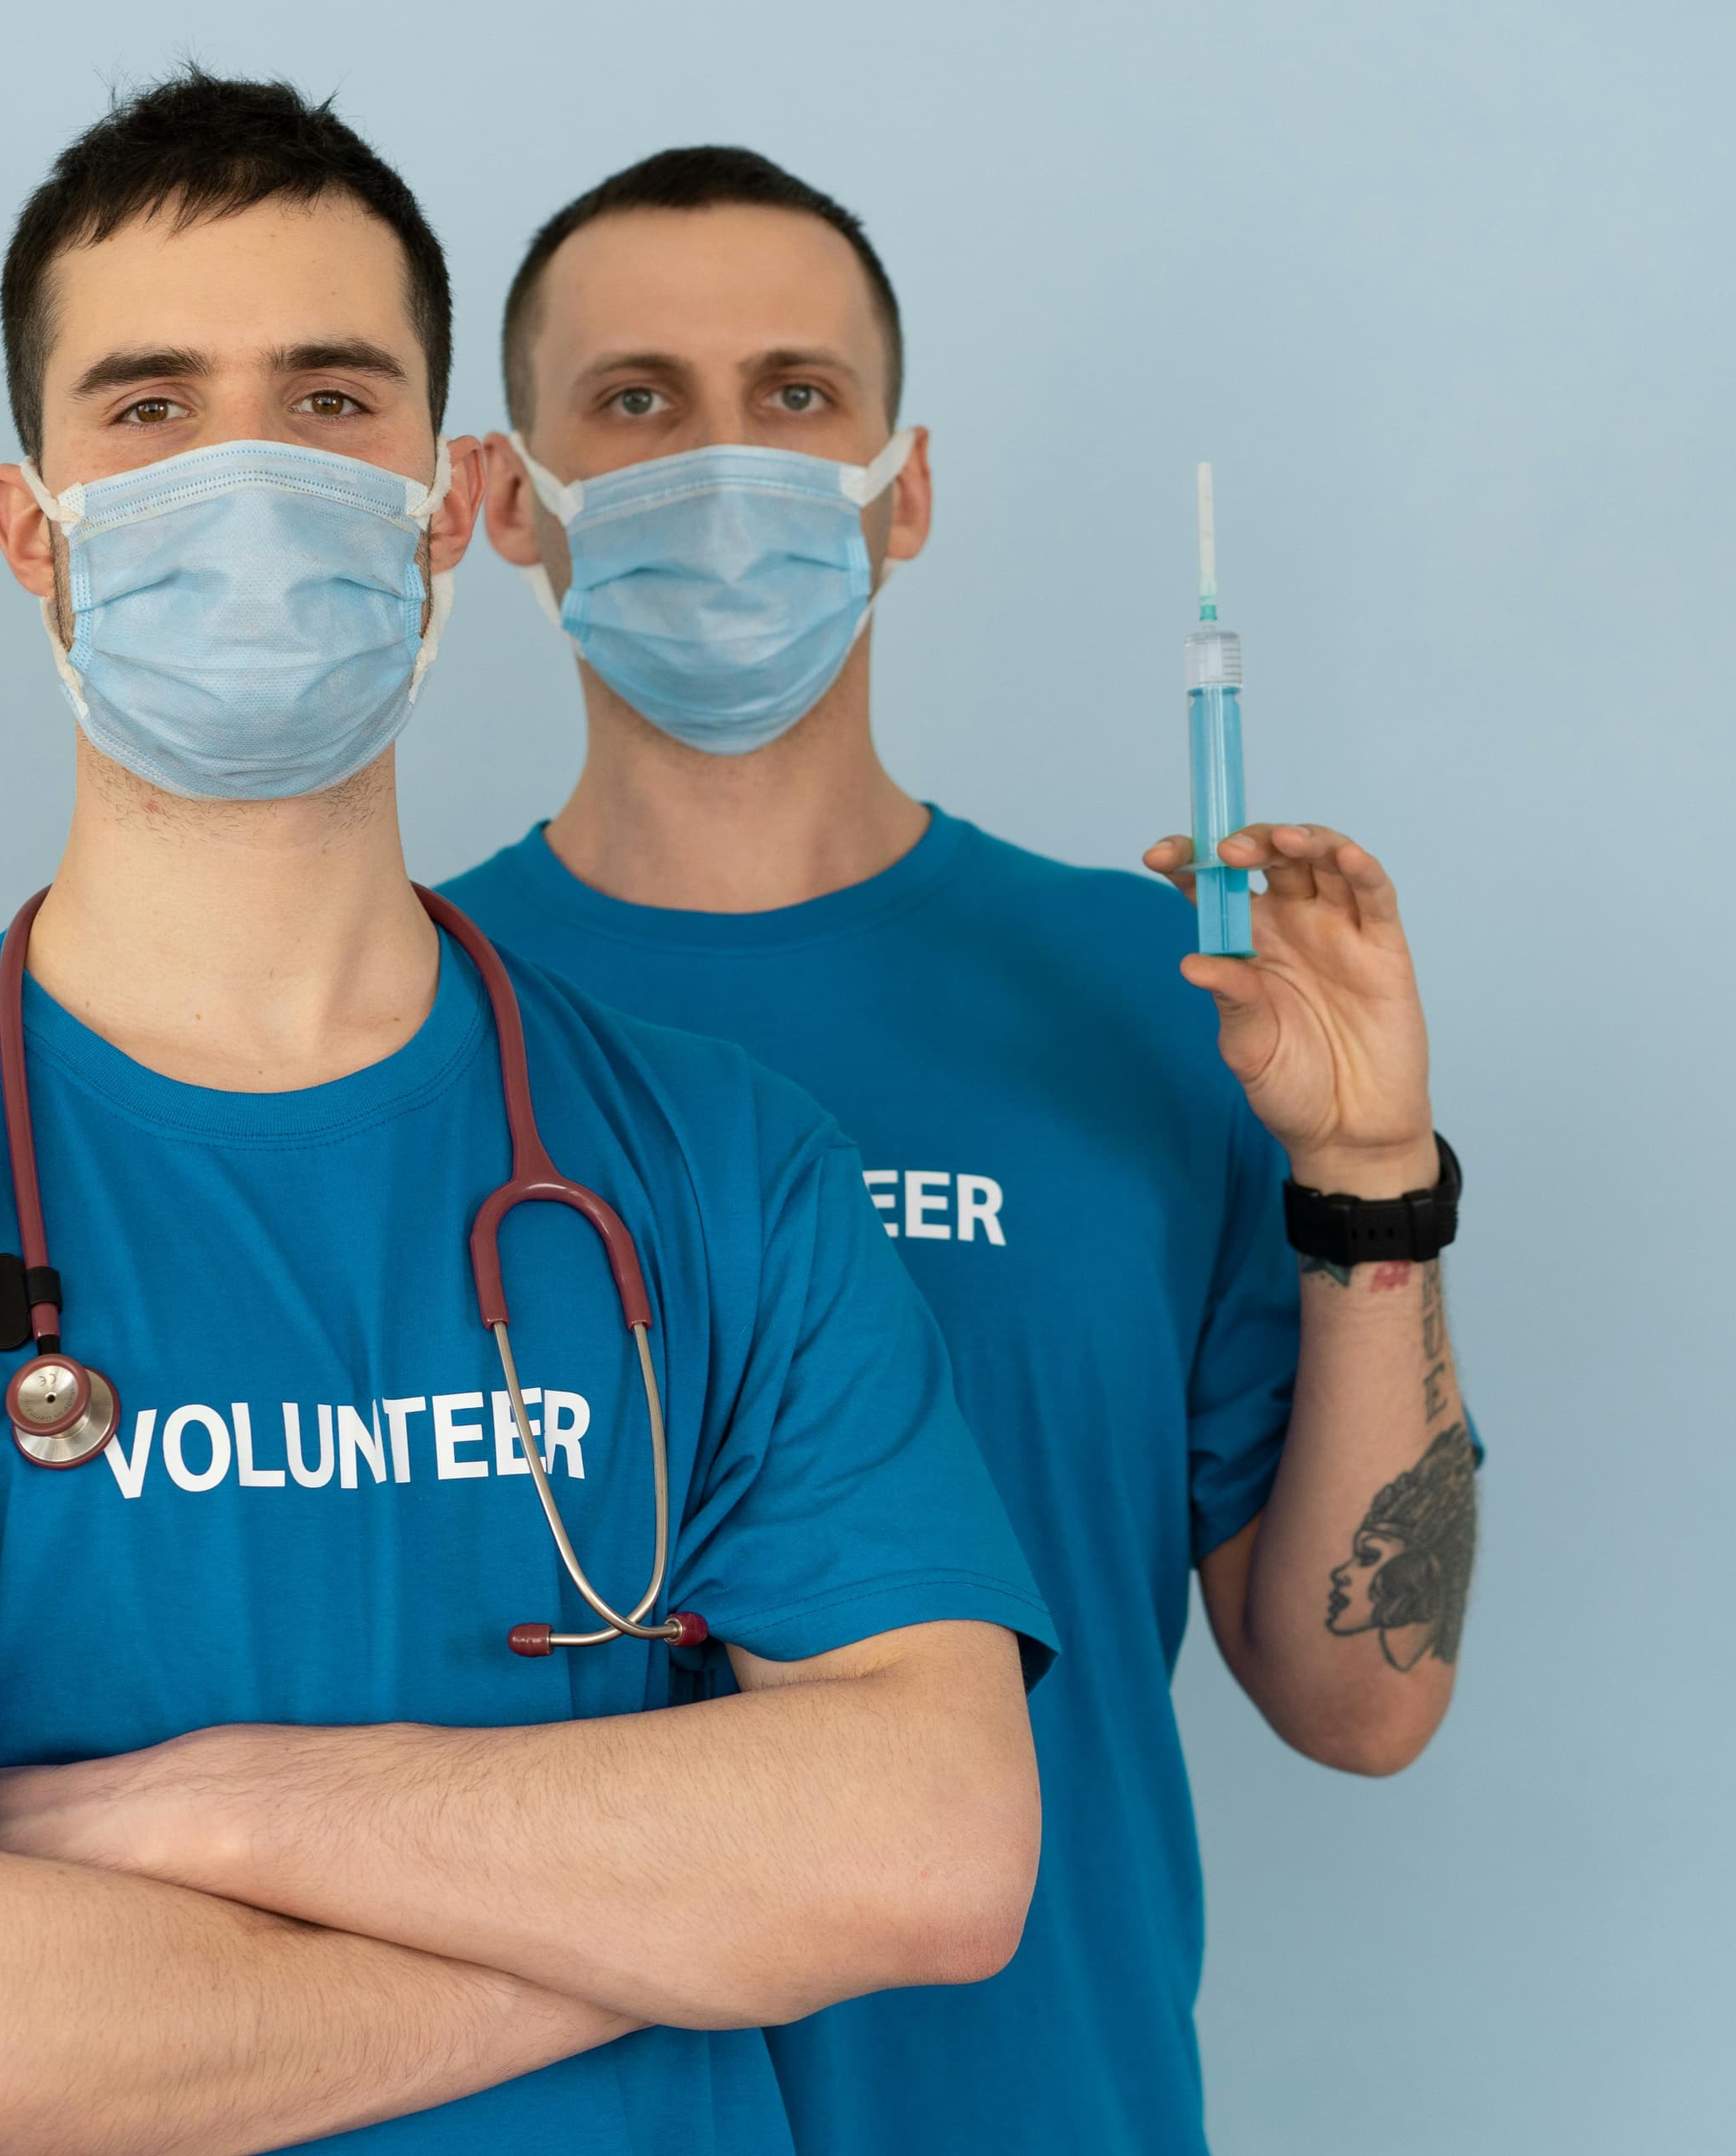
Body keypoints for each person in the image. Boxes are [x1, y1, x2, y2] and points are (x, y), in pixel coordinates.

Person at [0, 81, 1058, 2156]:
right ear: (26, 522)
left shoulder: (724, 1164)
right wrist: (672, 1914)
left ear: (442, 501)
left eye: (329, 400)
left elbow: (935, 1847)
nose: (246, 476)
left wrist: (213, 1808)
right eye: (152, 408)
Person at [444, 147, 1482, 2155]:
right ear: (507, 500)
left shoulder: (1159, 998)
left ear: (900, 492)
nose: (722, 460)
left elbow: (1368, 1699)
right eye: (637, 402)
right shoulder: (386, 1023)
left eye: (797, 396)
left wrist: (1369, 1172)